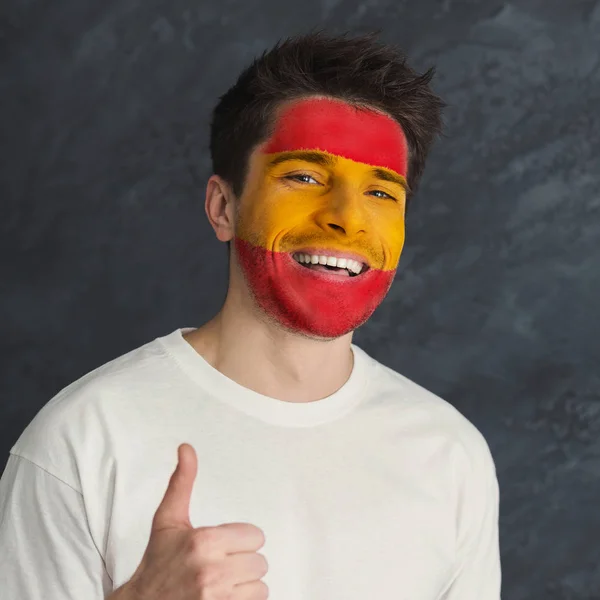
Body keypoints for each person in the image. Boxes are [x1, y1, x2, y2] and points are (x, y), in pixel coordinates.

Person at [0, 30, 501, 600]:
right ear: (222, 207)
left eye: (381, 193)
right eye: (305, 177)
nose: (347, 219)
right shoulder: (83, 441)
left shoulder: (450, 453)